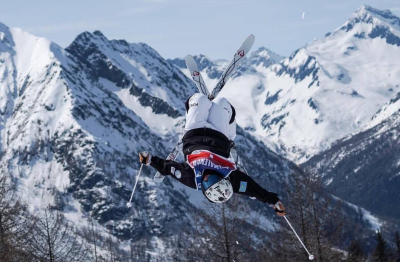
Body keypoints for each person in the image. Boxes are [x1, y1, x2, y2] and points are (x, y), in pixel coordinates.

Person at [139, 93, 285, 216]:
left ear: (203, 188)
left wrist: (149, 160)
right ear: (223, 180)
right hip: (218, 135)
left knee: (198, 99)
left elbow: (168, 168)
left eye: (207, 183)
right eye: (214, 179)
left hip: (193, 132)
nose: (208, 178)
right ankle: (228, 129)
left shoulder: (191, 178)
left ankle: (199, 106)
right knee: (223, 103)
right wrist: (274, 202)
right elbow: (254, 190)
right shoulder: (231, 179)